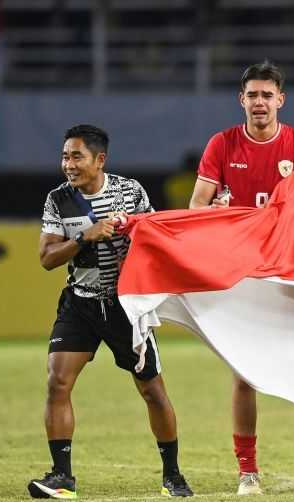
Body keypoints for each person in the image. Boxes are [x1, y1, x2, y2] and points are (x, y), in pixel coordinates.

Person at [189, 61, 294, 496]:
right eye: (253, 95)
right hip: (242, 274)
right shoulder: (222, 145)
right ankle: (248, 473)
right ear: (241, 99)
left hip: (289, 270)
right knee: (244, 374)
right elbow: (196, 209)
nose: (260, 102)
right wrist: (221, 213)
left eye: (268, 95)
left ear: (280, 100)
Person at [32, 124, 193, 499]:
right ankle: (62, 477)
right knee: (57, 382)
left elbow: (154, 239)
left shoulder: (129, 192)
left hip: (124, 306)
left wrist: (131, 238)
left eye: (77, 156)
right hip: (80, 302)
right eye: (64, 156)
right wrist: (82, 237)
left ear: (99, 159)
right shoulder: (59, 199)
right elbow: (46, 258)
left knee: (152, 392)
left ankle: (172, 474)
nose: (68, 165)